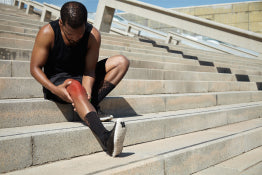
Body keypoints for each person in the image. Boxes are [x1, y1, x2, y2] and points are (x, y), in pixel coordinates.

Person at [30, 1, 129, 157]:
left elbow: (89, 70)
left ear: (86, 23)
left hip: (82, 76)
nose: (75, 40)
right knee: (75, 84)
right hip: (59, 82)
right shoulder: (47, 32)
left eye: (80, 35)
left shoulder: (92, 35)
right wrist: (55, 89)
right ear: (61, 23)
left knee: (121, 62)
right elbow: (35, 68)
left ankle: (88, 104)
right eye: (70, 36)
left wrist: (87, 91)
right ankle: (105, 138)